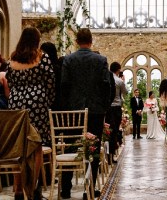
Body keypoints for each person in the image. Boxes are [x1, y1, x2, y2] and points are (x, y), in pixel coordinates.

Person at [60, 28, 111, 200]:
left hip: (74, 110)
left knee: (71, 145)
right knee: (93, 148)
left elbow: (64, 85)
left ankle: (65, 189)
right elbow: (106, 85)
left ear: (76, 41)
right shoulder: (100, 60)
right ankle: (89, 188)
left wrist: (68, 106)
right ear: (91, 41)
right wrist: (104, 105)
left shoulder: (68, 59)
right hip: (96, 109)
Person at [7, 27, 55, 200]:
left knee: (18, 148)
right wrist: (45, 101)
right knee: (37, 148)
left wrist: (18, 96)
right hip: (37, 104)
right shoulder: (42, 57)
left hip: (16, 105)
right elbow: (50, 83)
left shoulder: (12, 59)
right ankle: (34, 187)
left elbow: (10, 82)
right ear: (36, 40)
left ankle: (18, 189)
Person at [107, 62, 127, 164]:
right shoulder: (119, 81)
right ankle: (111, 155)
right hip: (116, 108)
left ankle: (108, 156)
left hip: (107, 107)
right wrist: (123, 81)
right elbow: (126, 92)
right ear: (118, 70)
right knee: (114, 131)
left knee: (107, 131)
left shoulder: (106, 78)